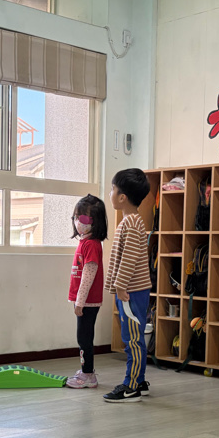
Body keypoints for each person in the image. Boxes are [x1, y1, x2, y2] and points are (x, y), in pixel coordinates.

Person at [104, 168, 152, 403]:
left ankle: (131, 386)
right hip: (130, 291)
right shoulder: (130, 221)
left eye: (113, 189)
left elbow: (130, 258)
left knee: (132, 338)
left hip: (131, 292)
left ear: (122, 197)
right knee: (133, 336)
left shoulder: (131, 223)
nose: (110, 194)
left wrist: (121, 287)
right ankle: (139, 381)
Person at [66, 194, 108, 389]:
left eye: (82, 218)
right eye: (76, 217)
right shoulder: (85, 242)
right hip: (84, 300)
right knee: (83, 336)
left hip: (87, 301)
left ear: (95, 221)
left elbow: (88, 276)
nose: (78, 222)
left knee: (84, 338)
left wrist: (80, 302)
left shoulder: (91, 245)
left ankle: (88, 374)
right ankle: (86, 370)